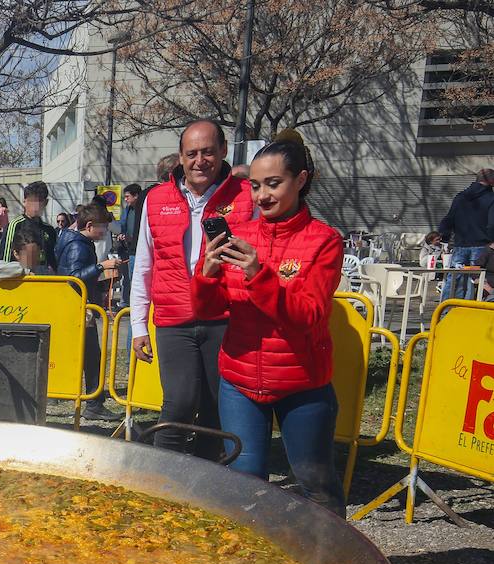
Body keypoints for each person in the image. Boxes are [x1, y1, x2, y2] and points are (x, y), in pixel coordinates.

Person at [194, 134, 346, 514]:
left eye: (273, 184)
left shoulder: (324, 241)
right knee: (243, 484)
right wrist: (208, 273)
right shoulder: (238, 234)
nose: (262, 196)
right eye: (256, 186)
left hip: (301, 382)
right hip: (240, 379)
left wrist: (258, 274)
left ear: (301, 180)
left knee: (315, 483)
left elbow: (308, 316)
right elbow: (207, 308)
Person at [129, 119, 254, 457]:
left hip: (224, 316)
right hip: (173, 318)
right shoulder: (156, 199)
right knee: (179, 404)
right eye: (192, 154)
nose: (200, 161)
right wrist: (138, 326)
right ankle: (162, 478)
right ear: (181, 157)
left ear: (224, 151)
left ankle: (205, 480)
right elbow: (144, 263)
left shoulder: (246, 196)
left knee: (216, 406)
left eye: (209, 152)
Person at [54, 203, 122, 421]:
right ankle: (93, 403)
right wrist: (102, 267)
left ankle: (92, 401)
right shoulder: (78, 246)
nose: (105, 231)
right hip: (81, 309)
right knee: (92, 357)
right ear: (90, 225)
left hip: (78, 306)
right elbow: (74, 278)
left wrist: (102, 281)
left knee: (89, 356)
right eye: (103, 227)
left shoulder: (77, 242)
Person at [437, 169, 494, 302]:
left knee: (454, 280)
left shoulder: (461, 197)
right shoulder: (491, 199)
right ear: (490, 181)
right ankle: (469, 312)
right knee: (475, 282)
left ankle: (446, 311)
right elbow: (492, 224)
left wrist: (444, 238)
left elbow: (449, 218)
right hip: (481, 246)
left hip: (460, 245)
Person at [0, 181, 58, 268]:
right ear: (25, 202)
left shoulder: (49, 229)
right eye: (32, 201)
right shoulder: (15, 225)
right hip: (22, 279)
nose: (36, 206)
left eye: (40, 201)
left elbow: (53, 260)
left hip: (43, 278)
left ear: (45, 203)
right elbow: (5, 260)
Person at [118, 183, 144, 310]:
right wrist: (123, 235)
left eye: (127, 196)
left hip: (139, 249)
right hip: (128, 248)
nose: (125, 199)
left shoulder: (143, 209)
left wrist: (132, 238)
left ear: (136, 196)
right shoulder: (128, 210)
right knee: (127, 278)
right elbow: (124, 226)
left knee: (136, 279)